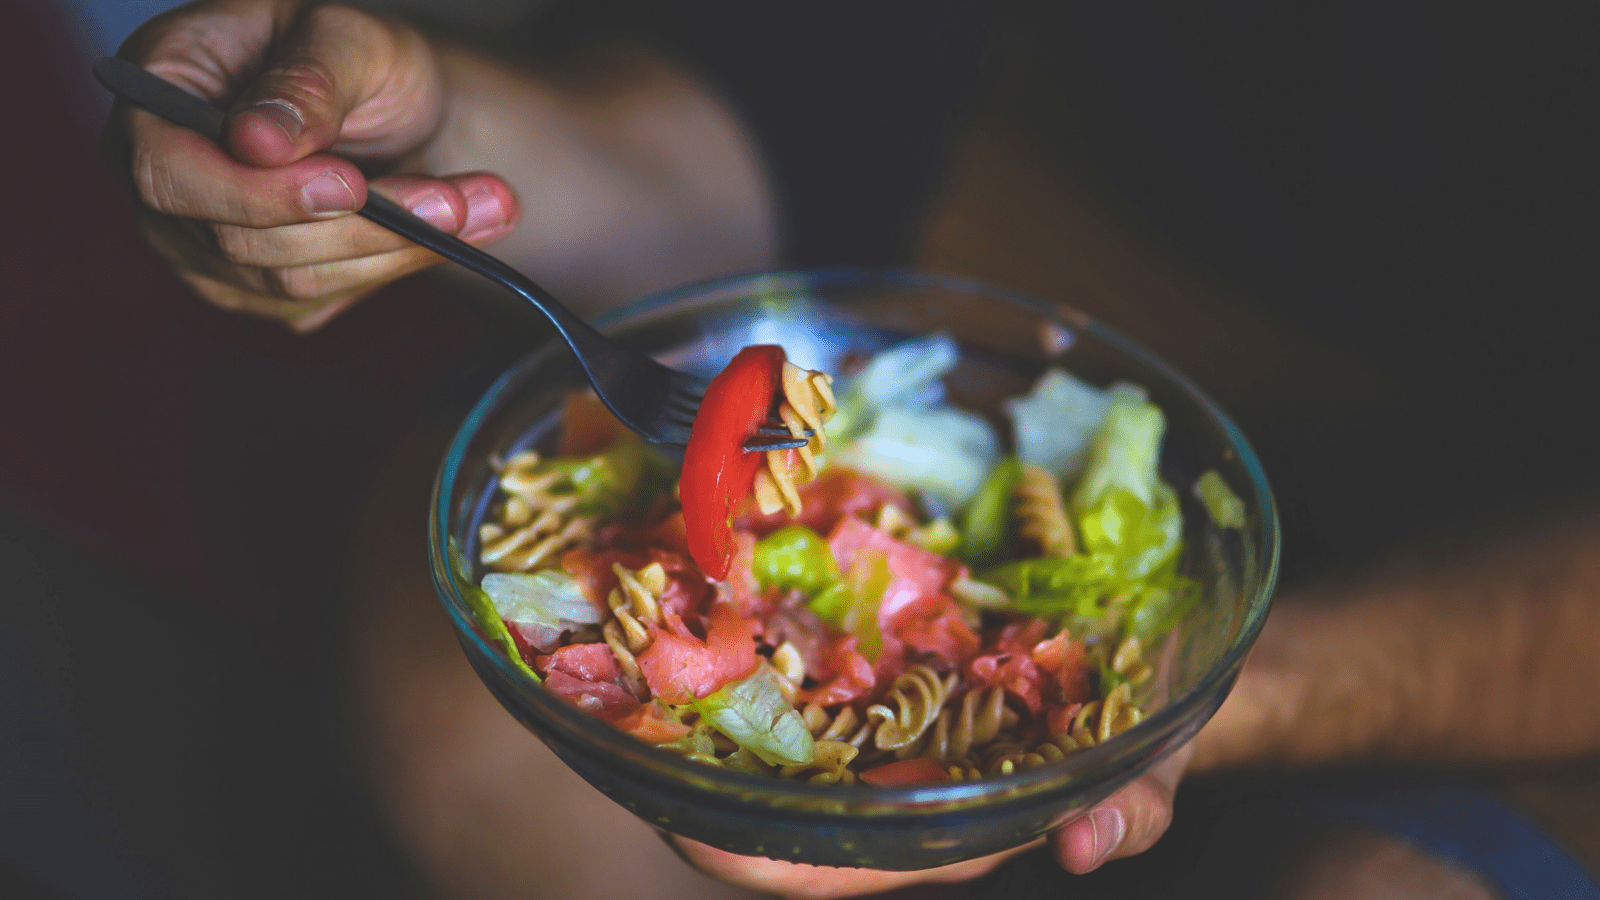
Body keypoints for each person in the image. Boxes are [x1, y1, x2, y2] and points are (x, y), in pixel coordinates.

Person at [97, 1, 1600, 898]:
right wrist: (462, 146)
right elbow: (795, 132)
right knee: (451, 686)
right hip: (1049, 318)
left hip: (1532, 607)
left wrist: (1187, 706)